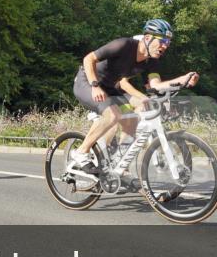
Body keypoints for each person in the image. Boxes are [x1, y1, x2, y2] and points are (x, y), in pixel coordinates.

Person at [65, 19, 199, 185]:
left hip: (109, 88)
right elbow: (88, 59)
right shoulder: (124, 45)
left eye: (168, 42)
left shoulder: (152, 60)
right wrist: (94, 85)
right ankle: (81, 152)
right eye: (163, 41)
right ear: (148, 38)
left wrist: (182, 79)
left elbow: (155, 85)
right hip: (87, 81)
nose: (165, 46)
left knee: (131, 121)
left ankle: (118, 165)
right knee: (113, 115)